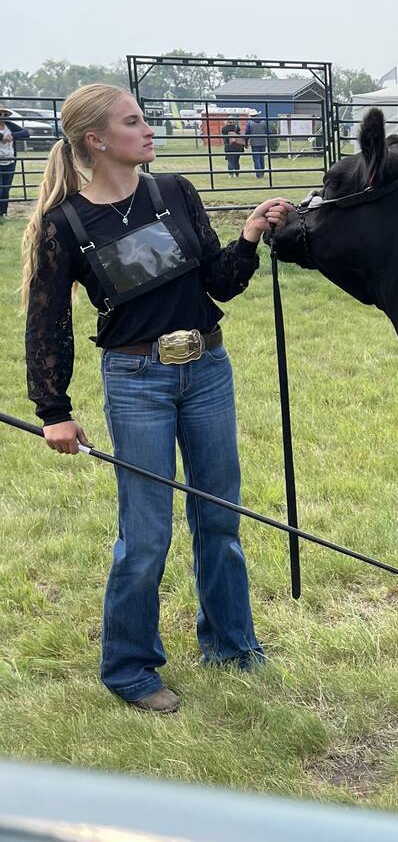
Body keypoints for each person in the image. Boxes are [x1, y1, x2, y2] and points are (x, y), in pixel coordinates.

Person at [20, 84, 292, 713]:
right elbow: (47, 321)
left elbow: (218, 282)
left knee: (219, 518)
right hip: (136, 381)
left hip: (208, 370)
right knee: (145, 534)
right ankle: (129, 667)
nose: (148, 131)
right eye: (134, 122)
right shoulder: (66, 224)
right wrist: (53, 411)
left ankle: (231, 644)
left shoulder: (174, 193)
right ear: (97, 140)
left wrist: (248, 235)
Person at [0, 105, 31, 220]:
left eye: (5, 114)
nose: (2, 117)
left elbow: (26, 133)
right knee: (0, 189)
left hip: (9, 162)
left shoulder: (9, 126)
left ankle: (3, 213)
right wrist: (2, 137)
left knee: (6, 189)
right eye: (0, 114)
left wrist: (12, 136)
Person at [242, 113, 269, 179]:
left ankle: (258, 174)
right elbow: (269, 131)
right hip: (263, 142)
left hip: (254, 143)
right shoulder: (264, 122)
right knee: (262, 158)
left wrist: (245, 142)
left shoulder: (250, 123)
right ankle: (262, 173)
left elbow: (247, 134)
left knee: (256, 159)